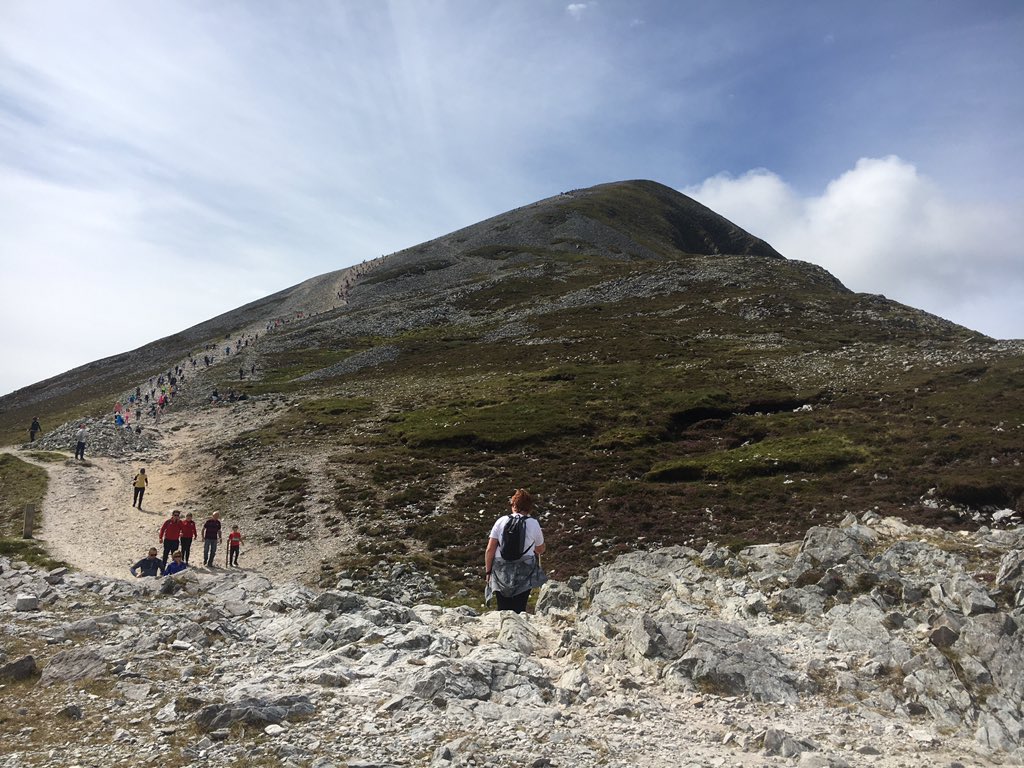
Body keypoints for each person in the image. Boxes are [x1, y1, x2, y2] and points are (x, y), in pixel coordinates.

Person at [484, 489, 548, 614]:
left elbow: (490, 549)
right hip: (525, 570)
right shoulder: (533, 524)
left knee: (502, 607)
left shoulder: (501, 521)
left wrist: (488, 572)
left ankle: (504, 629)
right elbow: (540, 549)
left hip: (501, 569)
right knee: (520, 607)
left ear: (513, 505)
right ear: (529, 508)